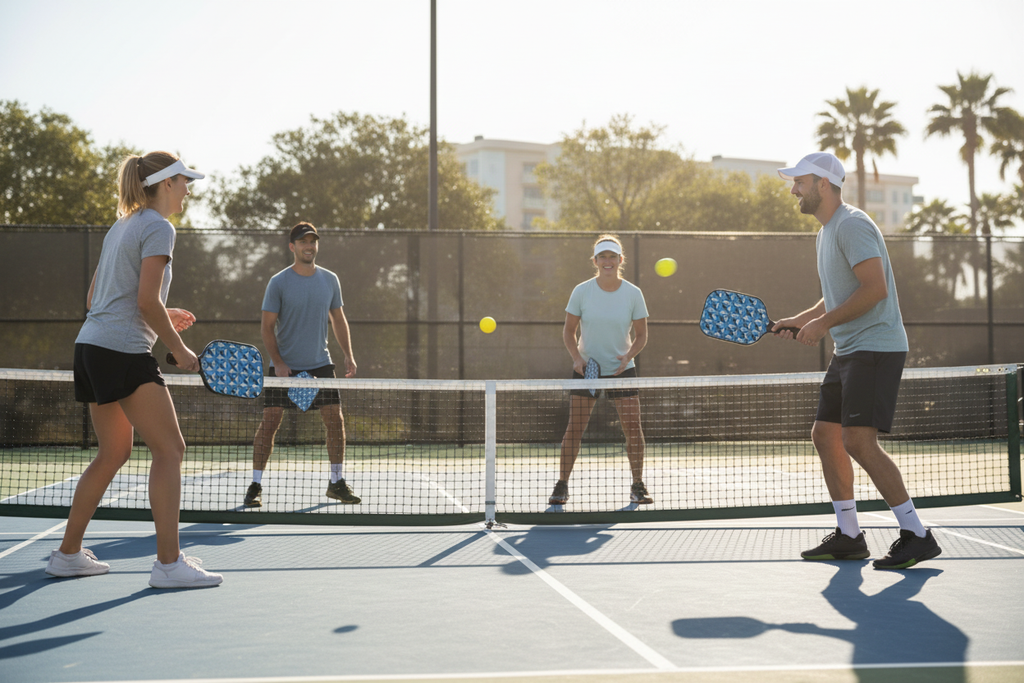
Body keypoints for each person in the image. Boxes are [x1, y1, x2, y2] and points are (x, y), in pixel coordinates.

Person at [46, 152, 223, 588]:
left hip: (90, 346)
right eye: (184, 181)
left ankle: (67, 555)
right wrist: (179, 350)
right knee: (171, 449)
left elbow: (97, 298)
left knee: (113, 452)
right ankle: (168, 565)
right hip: (122, 352)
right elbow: (144, 301)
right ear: (165, 183)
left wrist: (164, 310)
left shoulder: (121, 225)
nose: (188, 189)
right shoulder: (159, 227)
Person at [774, 152, 941, 570]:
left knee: (858, 441)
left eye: (800, 182)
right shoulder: (827, 232)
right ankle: (849, 535)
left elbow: (873, 289)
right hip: (850, 350)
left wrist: (824, 324)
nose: (793, 189)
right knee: (824, 435)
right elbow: (839, 290)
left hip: (875, 347)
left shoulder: (852, 224)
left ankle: (916, 534)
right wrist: (804, 319)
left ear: (824, 185)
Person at [243, 222, 360, 508]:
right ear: (292, 246)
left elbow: (338, 319)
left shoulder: (330, 279)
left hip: (321, 364)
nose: (309, 246)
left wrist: (348, 354)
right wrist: (280, 363)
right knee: (270, 423)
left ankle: (336, 483)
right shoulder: (279, 282)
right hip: (285, 368)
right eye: (303, 241)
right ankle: (255, 485)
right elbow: (267, 327)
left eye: (313, 241)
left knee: (336, 422)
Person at [548, 234, 652, 507]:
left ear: (620, 260)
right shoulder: (581, 291)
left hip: (622, 369)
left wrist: (628, 356)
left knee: (633, 427)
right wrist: (576, 358)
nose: (608, 261)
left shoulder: (633, 293)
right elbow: (569, 331)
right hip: (587, 370)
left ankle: (638, 485)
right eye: (602, 256)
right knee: (575, 429)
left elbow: (641, 335)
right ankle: (562, 485)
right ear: (595, 261)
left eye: (612, 256)